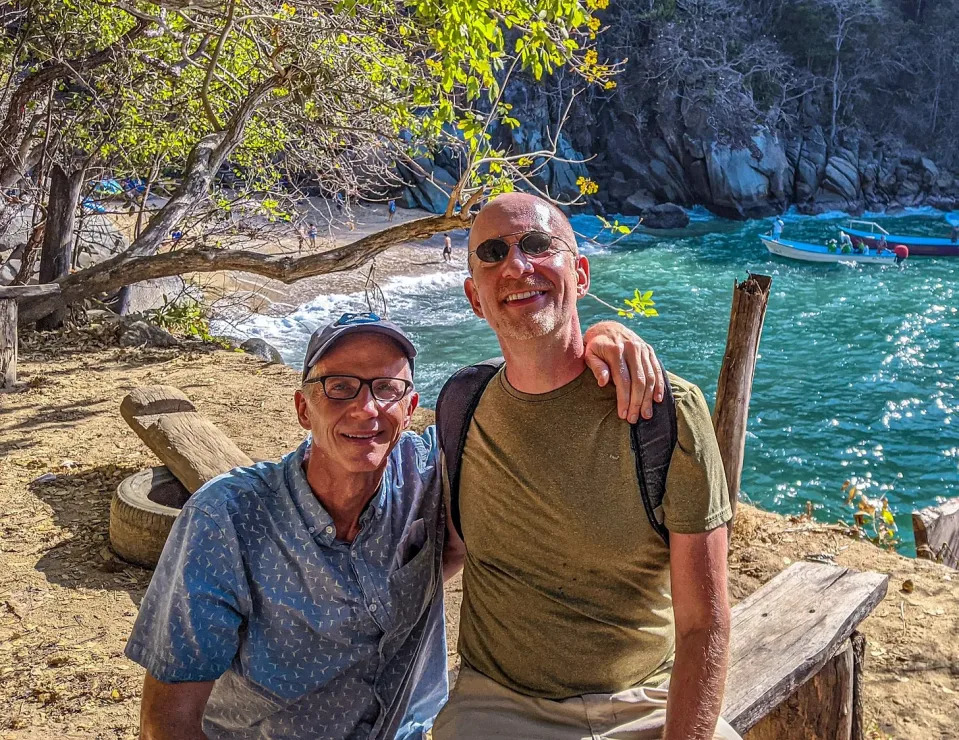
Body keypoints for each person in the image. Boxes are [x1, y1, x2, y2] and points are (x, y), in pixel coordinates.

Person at [125, 311, 665, 740]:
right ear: (301, 407)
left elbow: (530, 379)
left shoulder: (434, 475)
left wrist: (599, 336)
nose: (366, 409)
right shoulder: (228, 517)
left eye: (386, 389)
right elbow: (168, 720)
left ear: (410, 409)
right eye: (340, 387)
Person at [433, 192, 739, 740]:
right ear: (474, 298)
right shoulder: (462, 407)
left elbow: (703, 623)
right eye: (493, 252)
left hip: (644, 701)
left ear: (581, 273)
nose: (517, 265)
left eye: (536, 244)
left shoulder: (666, 413)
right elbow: (446, 548)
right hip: (497, 707)